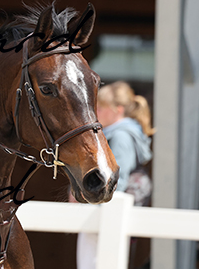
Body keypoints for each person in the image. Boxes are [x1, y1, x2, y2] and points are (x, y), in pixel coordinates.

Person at [75, 81, 154, 269]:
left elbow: (116, 180)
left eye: (101, 108)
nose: (96, 113)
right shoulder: (121, 134)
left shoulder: (120, 137)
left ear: (118, 110)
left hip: (105, 212)